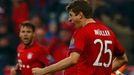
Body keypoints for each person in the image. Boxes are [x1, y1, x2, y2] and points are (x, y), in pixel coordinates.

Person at [32, 0, 128, 75]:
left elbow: (73, 59)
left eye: (71, 15)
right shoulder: (109, 32)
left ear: (80, 15)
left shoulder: (82, 32)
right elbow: (123, 59)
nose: (69, 20)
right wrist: (104, 72)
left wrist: (44, 71)